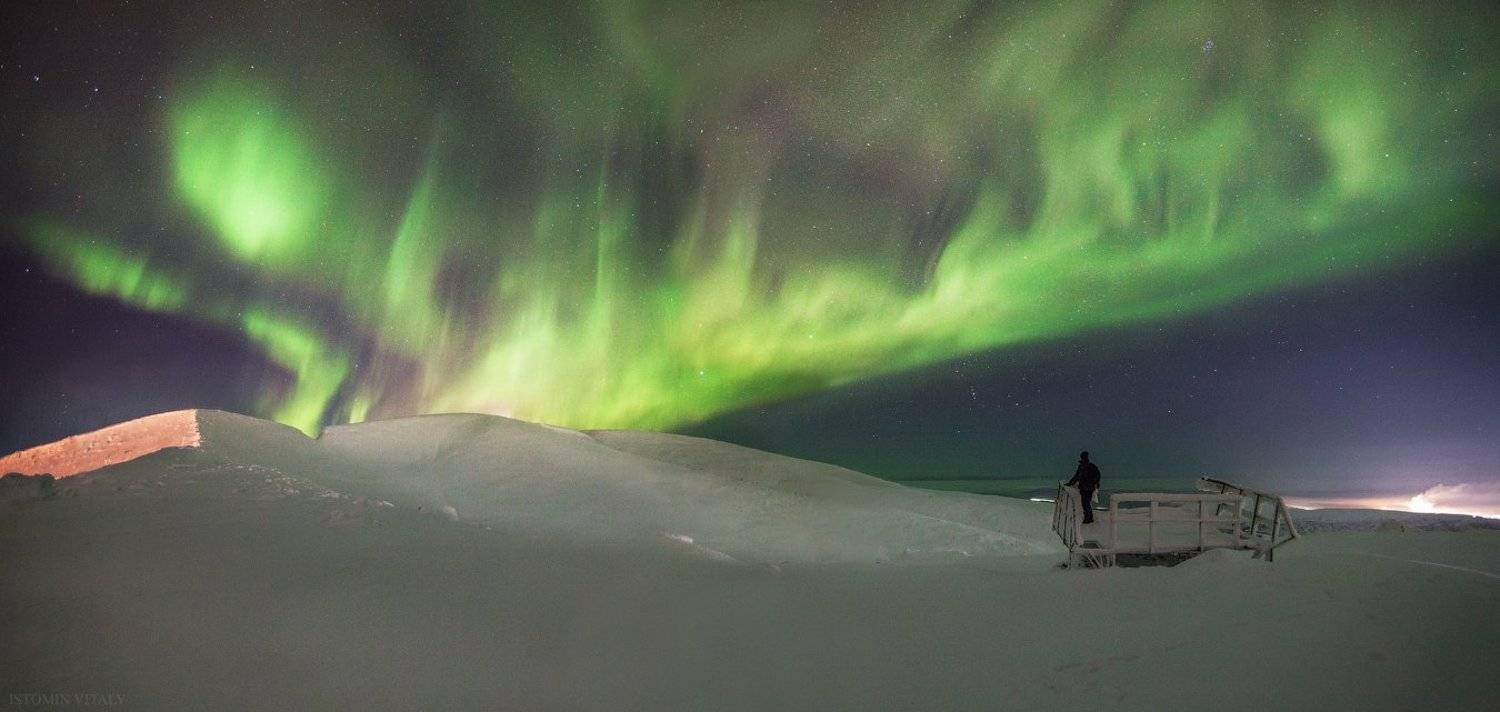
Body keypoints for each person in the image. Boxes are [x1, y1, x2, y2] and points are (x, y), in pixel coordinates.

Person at [1065, 451, 1102, 524]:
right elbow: (1077, 476)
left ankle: (1088, 518)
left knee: (1085, 503)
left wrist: (1095, 483)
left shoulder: (1089, 467)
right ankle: (1088, 517)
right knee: (1085, 503)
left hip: (1087, 488)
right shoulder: (1086, 466)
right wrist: (1070, 483)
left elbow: (1077, 476)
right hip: (1085, 488)